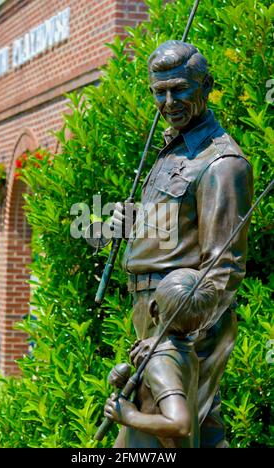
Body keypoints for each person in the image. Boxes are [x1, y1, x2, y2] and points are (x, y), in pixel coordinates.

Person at [111, 40, 254, 447]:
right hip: (154, 315)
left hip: (182, 323)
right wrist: (136, 227)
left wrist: (174, 333)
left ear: (205, 86)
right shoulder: (174, 149)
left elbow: (222, 271)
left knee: (159, 437)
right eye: (160, 91)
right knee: (200, 432)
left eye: (179, 89)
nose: (168, 101)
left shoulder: (222, 164)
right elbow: (178, 232)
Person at [104, 268, 218, 448]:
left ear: (152, 308)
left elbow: (180, 424)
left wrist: (128, 416)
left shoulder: (161, 364)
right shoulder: (185, 351)